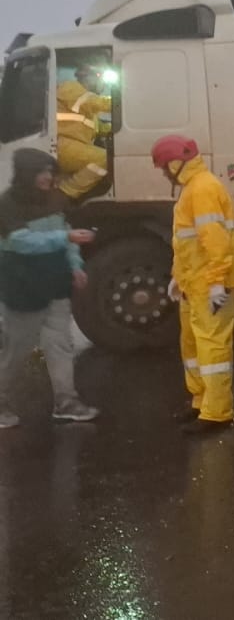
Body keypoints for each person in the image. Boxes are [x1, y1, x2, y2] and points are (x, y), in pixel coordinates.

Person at [152, 135, 234, 437]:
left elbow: (217, 243)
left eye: (162, 167)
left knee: (212, 347)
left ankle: (217, 413)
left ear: (174, 162)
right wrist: (178, 276)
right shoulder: (195, 188)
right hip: (196, 282)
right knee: (194, 345)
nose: (163, 173)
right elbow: (189, 244)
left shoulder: (203, 189)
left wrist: (216, 284)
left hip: (210, 282)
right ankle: (201, 402)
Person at [0, 148, 99, 427]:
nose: (48, 177)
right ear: (25, 174)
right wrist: (64, 236)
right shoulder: (7, 205)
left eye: (50, 171)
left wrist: (75, 265)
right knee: (16, 350)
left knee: (60, 345)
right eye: (41, 172)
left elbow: (68, 238)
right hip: (23, 287)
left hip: (56, 284)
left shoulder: (56, 199)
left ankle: (66, 401)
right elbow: (21, 242)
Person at [56, 65, 114, 200]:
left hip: (73, 146)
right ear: (89, 77)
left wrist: (116, 128)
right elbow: (97, 103)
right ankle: (65, 193)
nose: (103, 84)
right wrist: (123, 101)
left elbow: (99, 127)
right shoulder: (71, 88)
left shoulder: (85, 99)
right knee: (104, 159)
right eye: (100, 78)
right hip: (64, 146)